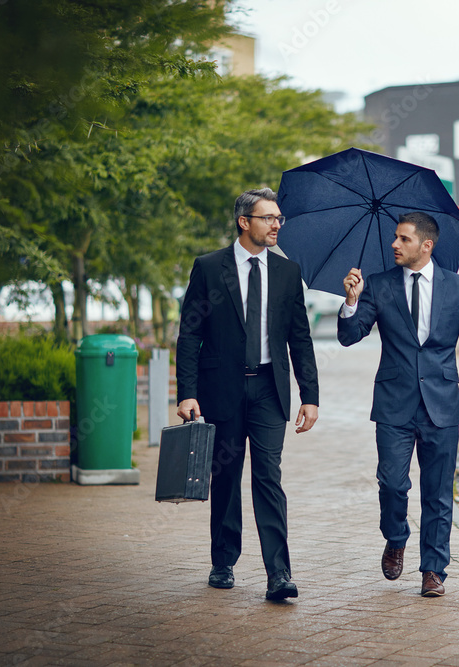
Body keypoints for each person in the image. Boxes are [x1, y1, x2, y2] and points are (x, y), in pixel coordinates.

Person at [338, 211, 459, 597]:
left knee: (438, 493)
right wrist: (351, 301)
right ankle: (396, 537)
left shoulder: (458, 287)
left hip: (442, 404)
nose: (394, 244)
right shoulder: (378, 285)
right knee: (392, 484)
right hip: (394, 404)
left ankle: (433, 570)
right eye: (395, 237)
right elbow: (349, 336)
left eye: (403, 239)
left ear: (426, 245)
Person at [176, 188, 319, 601]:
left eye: (279, 219)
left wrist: (309, 395)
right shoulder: (208, 268)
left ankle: (279, 574)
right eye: (268, 218)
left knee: (267, 477)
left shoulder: (288, 273)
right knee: (225, 475)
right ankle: (223, 561)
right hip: (220, 388)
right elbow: (189, 335)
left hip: (269, 389)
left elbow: (300, 338)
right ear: (244, 222)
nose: (276, 225)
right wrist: (187, 392)